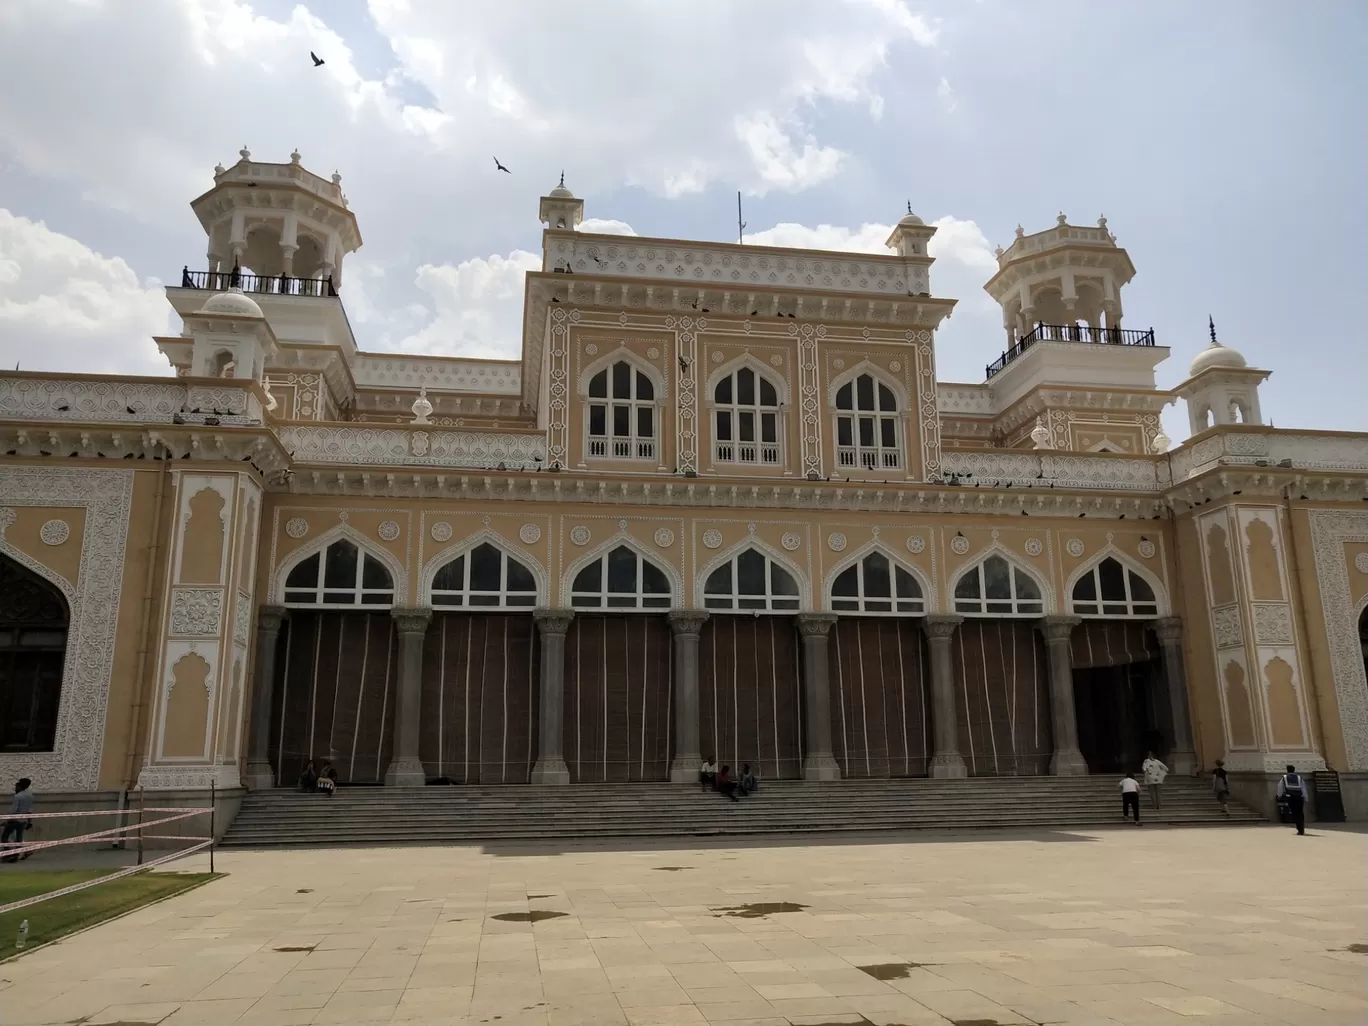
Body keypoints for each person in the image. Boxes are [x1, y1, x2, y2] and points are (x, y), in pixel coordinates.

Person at [1, 778, 35, 863]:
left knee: (4, 837)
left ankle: (8, 854)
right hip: (23, 821)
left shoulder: (17, 796)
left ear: (20, 786)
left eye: (16, 786)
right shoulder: (30, 796)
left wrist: (6, 820)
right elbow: (29, 810)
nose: (15, 788)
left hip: (14, 820)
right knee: (18, 839)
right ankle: (16, 855)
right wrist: (29, 821)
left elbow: (13, 810)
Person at [1276, 764, 1308, 836]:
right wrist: (1306, 797)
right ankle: (1301, 828)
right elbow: (1303, 787)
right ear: (1294, 770)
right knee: (1300, 813)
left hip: (1290, 797)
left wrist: (1279, 795)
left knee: (1295, 813)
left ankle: (1299, 829)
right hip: (1299, 797)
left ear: (1287, 770)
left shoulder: (1284, 777)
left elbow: (1280, 787)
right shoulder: (1299, 777)